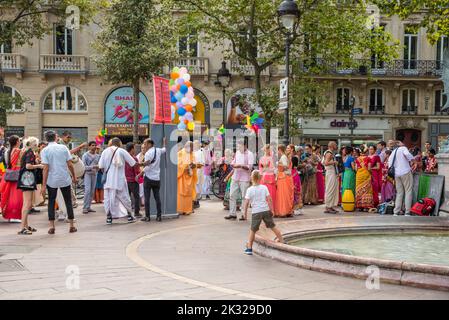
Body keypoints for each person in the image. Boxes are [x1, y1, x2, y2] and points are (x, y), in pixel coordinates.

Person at [40, 130, 77, 234]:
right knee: (68, 201)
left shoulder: (45, 150)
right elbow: (70, 164)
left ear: (46, 139)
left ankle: (52, 226)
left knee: (51, 202)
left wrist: (43, 185)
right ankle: (71, 225)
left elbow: (46, 168)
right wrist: (74, 176)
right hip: (64, 178)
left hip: (52, 180)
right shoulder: (64, 148)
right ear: (56, 138)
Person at [242, 170, 284, 256]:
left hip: (256, 212)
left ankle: (249, 248)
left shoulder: (250, 190)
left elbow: (246, 203)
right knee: (273, 226)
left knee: (253, 230)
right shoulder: (264, 187)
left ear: (251, 178)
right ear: (260, 178)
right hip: (265, 210)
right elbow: (269, 199)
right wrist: (272, 210)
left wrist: (245, 214)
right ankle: (282, 241)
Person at [98, 137, 138, 225]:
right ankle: (130, 216)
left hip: (108, 181)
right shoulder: (122, 151)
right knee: (125, 198)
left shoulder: (105, 151)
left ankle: (109, 218)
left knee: (108, 199)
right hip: (120, 180)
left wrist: (108, 173)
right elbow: (133, 163)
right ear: (119, 143)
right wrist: (144, 163)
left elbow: (100, 166)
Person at [17, 137, 44, 235]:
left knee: (27, 203)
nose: (37, 146)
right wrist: (39, 166)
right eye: (36, 144)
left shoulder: (26, 151)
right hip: (27, 179)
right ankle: (22, 228)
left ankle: (25, 225)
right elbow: (28, 166)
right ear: (33, 144)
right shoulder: (30, 152)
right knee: (27, 204)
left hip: (26, 178)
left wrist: (35, 163)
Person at [225, 140, 254, 221]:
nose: (239, 148)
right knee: (232, 195)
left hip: (244, 178)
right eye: (238, 146)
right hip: (235, 177)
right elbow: (233, 162)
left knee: (244, 197)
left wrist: (241, 166)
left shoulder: (250, 154)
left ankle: (243, 215)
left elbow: (250, 167)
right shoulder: (237, 153)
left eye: (240, 146)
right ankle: (232, 214)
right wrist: (233, 164)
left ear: (245, 146)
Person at [141, 138, 166, 222]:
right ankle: (159, 216)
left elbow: (147, 167)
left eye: (145, 144)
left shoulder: (148, 153)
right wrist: (164, 142)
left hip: (148, 178)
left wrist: (140, 173)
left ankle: (147, 217)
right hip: (157, 178)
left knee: (147, 198)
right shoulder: (158, 150)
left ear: (149, 144)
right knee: (157, 197)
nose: (144, 145)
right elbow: (164, 149)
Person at [389, 140, 416, 216]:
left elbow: (389, 163)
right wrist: (414, 161)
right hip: (405, 171)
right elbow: (408, 154)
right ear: (399, 144)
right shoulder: (403, 148)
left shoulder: (393, 152)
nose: (403, 143)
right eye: (401, 142)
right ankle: (407, 212)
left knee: (399, 193)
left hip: (396, 174)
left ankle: (396, 211)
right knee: (408, 191)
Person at [0, 135, 23, 222]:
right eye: (19, 140)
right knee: (17, 196)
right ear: (17, 142)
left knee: (9, 195)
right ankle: (14, 215)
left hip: (9, 174)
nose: (20, 142)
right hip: (17, 174)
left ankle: (10, 214)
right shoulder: (19, 151)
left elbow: (6, 163)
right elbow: (22, 163)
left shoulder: (7, 151)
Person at [177, 141, 197, 215]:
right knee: (180, 194)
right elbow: (177, 165)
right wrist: (185, 167)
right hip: (182, 177)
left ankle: (188, 209)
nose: (191, 149)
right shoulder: (180, 153)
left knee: (189, 193)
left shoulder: (192, 154)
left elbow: (195, 164)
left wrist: (193, 166)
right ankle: (180, 209)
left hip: (189, 176)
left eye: (192, 147)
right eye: (190, 146)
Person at [274, 145, 294, 217]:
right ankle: (286, 210)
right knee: (284, 194)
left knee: (283, 194)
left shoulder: (283, 157)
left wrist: (278, 164)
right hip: (284, 176)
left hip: (283, 177)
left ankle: (284, 211)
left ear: (280, 150)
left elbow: (286, 166)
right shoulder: (284, 157)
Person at [82, 141, 100, 214]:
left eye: (95, 145)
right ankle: (84, 208)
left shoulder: (98, 156)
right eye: (92, 145)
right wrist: (93, 166)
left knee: (92, 191)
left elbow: (100, 165)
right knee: (87, 190)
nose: (94, 147)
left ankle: (88, 207)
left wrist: (99, 168)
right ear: (89, 146)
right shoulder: (85, 155)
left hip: (95, 174)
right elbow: (83, 167)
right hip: (87, 174)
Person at [125, 142, 142, 219]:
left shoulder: (124, 157)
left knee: (127, 197)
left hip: (125, 180)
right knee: (136, 197)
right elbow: (137, 169)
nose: (134, 150)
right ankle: (136, 212)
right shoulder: (134, 158)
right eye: (134, 148)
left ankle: (127, 212)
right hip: (133, 180)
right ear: (132, 149)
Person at [355, 147, 375, 212]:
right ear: (366, 152)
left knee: (359, 190)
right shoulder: (368, 158)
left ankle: (359, 206)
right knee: (367, 190)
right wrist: (372, 173)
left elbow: (356, 168)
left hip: (359, 176)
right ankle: (366, 206)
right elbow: (369, 168)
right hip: (366, 175)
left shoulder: (357, 159)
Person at [323, 141, 340, 214]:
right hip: (330, 173)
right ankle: (328, 206)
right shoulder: (329, 153)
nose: (337, 146)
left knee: (333, 189)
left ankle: (331, 206)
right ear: (332, 146)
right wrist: (334, 162)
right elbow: (326, 163)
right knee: (330, 189)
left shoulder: (330, 153)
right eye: (336, 145)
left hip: (332, 173)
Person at [193, 140, 205, 208]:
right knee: (194, 186)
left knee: (198, 186)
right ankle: (193, 200)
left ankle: (196, 200)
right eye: (194, 144)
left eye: (195, 144)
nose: (194, 146)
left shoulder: (200, 152)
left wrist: (197, 165)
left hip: (198, 171)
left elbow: (202, 163)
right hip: (193, 171)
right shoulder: (192, 152)